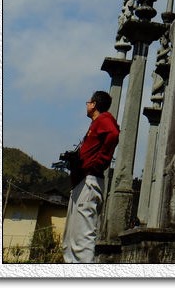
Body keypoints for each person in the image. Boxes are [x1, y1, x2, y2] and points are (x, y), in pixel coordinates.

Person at [61, 91, 120, 263]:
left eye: (88, 102)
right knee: (70, 239)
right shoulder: (96, 123)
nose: (86, 105)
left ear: (94, 104)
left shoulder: (104, 119)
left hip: (89, 180)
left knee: (82, 238)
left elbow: (114, 134)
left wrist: (97, 162)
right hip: (81, 180)